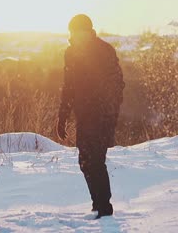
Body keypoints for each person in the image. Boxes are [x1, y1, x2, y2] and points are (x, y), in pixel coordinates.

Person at [57, 14, 125, 219]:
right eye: (71, 32)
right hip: (84, 116)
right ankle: (98, 205)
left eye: (76, 32)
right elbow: (68, 86)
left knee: (95, 160)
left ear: (87, 31)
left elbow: (117, 85)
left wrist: (109, 114)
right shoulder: (70, 53)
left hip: (102, 116)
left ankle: (104, 208)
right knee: (84, 161)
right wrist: (62, 117)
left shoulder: (104, 51)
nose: (73, 36)